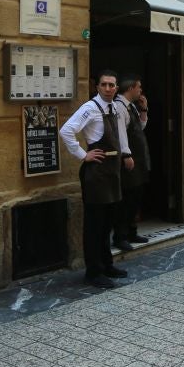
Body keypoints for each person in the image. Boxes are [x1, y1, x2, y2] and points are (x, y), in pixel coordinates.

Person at [60, 71, 134, 288]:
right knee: (94, 225)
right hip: (96, 174)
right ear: (98, 87)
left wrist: (127, 153)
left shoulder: (115, 108)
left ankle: (107, 264)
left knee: (107, 222)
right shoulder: (89, 108)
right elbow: (66, 131)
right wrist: (83, 155)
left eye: (112, 85)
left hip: (112, 172)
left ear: (117, 87)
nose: (108, 88)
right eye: (104, 85)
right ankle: (93, 272)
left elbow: (121, 135)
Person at [116, 74, 152, 252]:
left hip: (138, 160)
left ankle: (131, 231)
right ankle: (120, 236)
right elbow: (121, 133)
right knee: (126, 199)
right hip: (129, 161)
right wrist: (126, 154)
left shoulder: (132, 107)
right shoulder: (120, 107)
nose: (141, 91)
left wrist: (144, 110)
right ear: (130, 89)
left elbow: (140, 128)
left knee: (135, 197)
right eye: (139, 87)